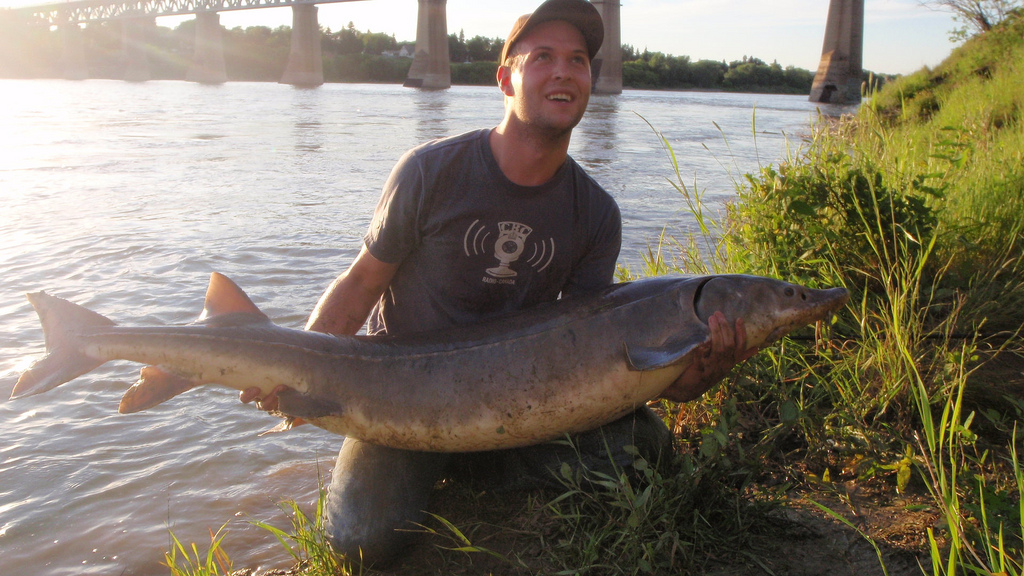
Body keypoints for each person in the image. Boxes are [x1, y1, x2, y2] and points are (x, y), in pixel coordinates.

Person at [242, 0, 755, 566]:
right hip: (403, 399)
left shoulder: (596, 214)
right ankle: (444, 468)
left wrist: (704, 368)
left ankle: (476, 466)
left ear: (589, 80)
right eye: (543, 57)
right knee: (360, 544)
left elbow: (601, 356)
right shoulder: (429, 171)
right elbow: (361, 283)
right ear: (505, 79)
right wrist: (297, 365)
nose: (563, 71)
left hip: (520, 401)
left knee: (647, 453)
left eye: (578, 60)